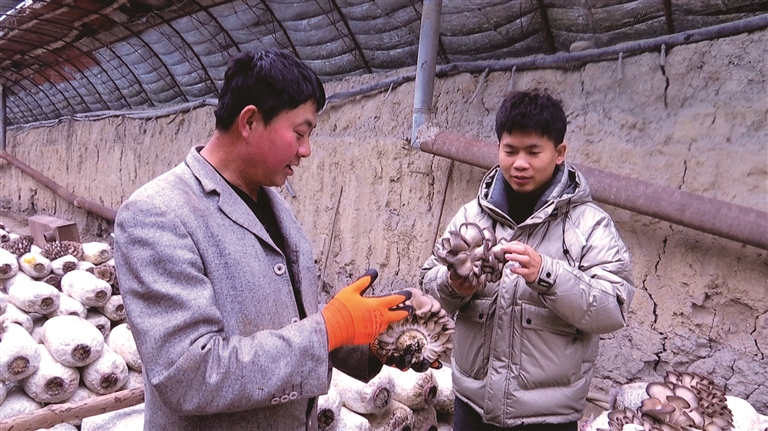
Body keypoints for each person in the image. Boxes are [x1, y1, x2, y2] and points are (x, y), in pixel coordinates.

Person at [114, 49, 414, 431]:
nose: (306, 150)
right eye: (300, 133)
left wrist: (373, 340)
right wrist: (328, 328)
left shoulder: (273, 203)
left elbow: (288, 318)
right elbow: (188, 373)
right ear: (250, 121)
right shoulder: (159, 213)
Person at [419, 90, 636, 430]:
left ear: (559, 153)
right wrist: (453, 284)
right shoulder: (471, 215)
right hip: (471, 406)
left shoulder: (588, 224)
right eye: (510, 151)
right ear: (498, 149)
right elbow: (430, 284)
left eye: (533, 151)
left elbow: (614, 307)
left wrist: (546, 274)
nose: (520, 163)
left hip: (546, 418)